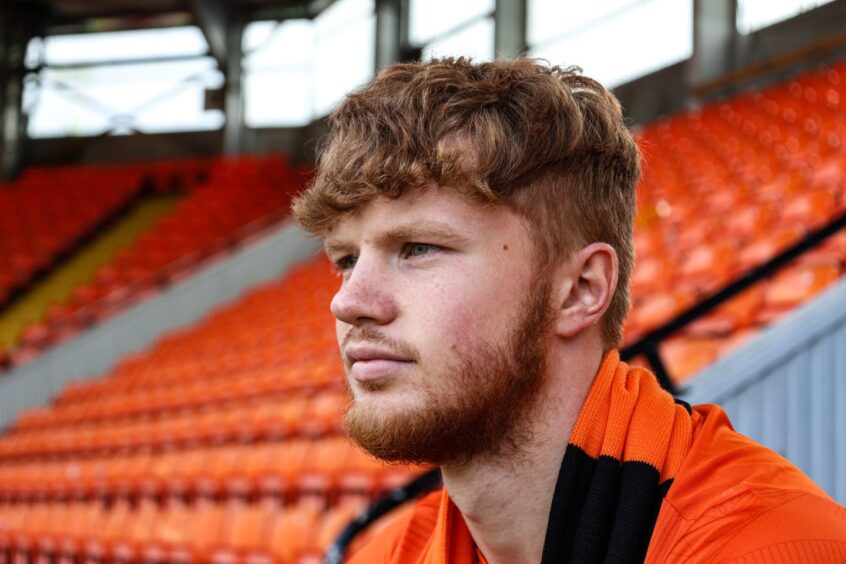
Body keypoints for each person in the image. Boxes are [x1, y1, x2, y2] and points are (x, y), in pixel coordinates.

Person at [292, 58, 846, 563]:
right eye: (345, 258)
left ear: (581, 289)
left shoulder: (775, 546)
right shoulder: (387, 555)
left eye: (418, 248)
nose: (348, 301)